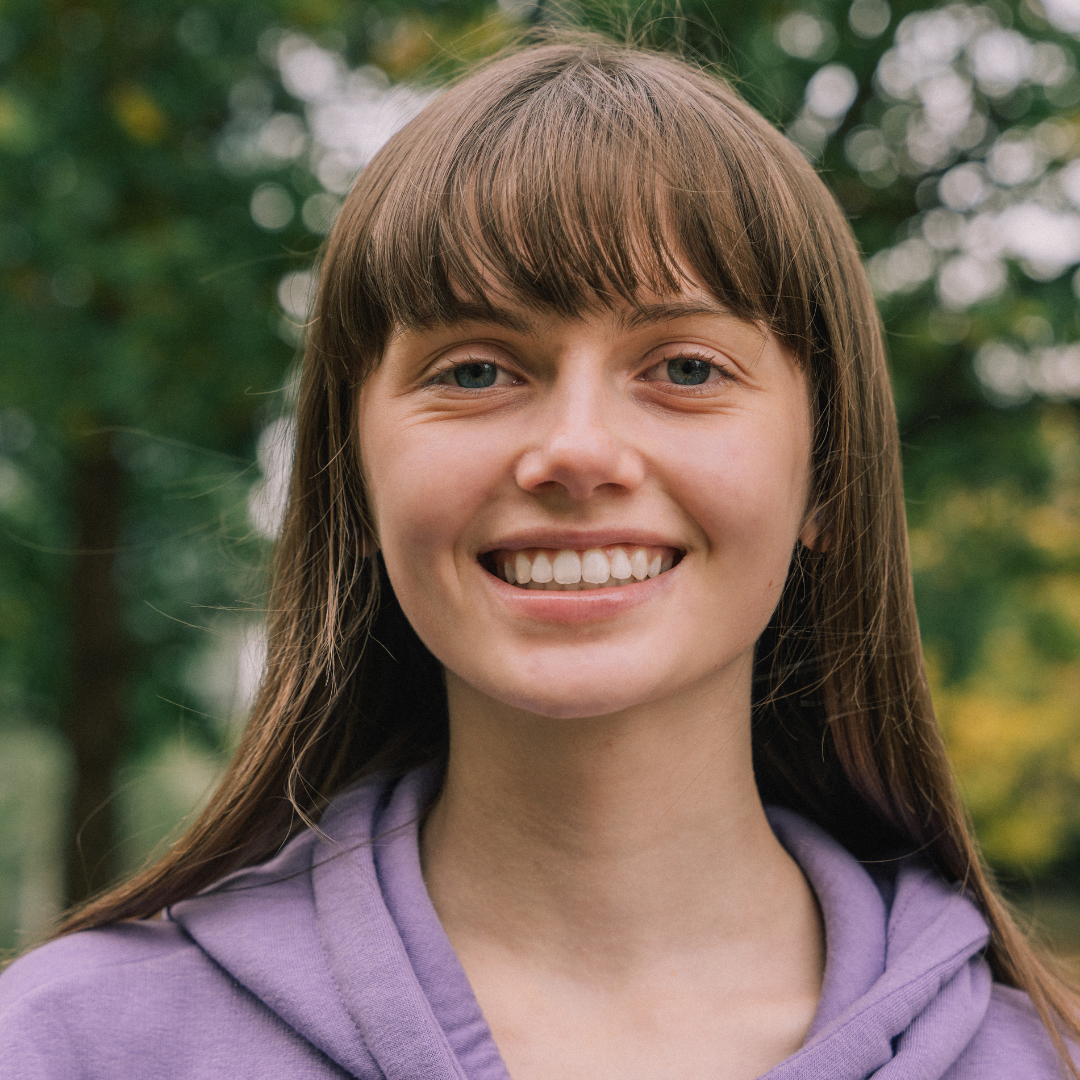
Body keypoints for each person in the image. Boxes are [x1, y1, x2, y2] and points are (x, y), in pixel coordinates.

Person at [1, 33, 1078, 1080]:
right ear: (354, 476)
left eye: (687, 368)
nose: (575, 452)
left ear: (829, 474)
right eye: (474, 371)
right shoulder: (65, 1045)